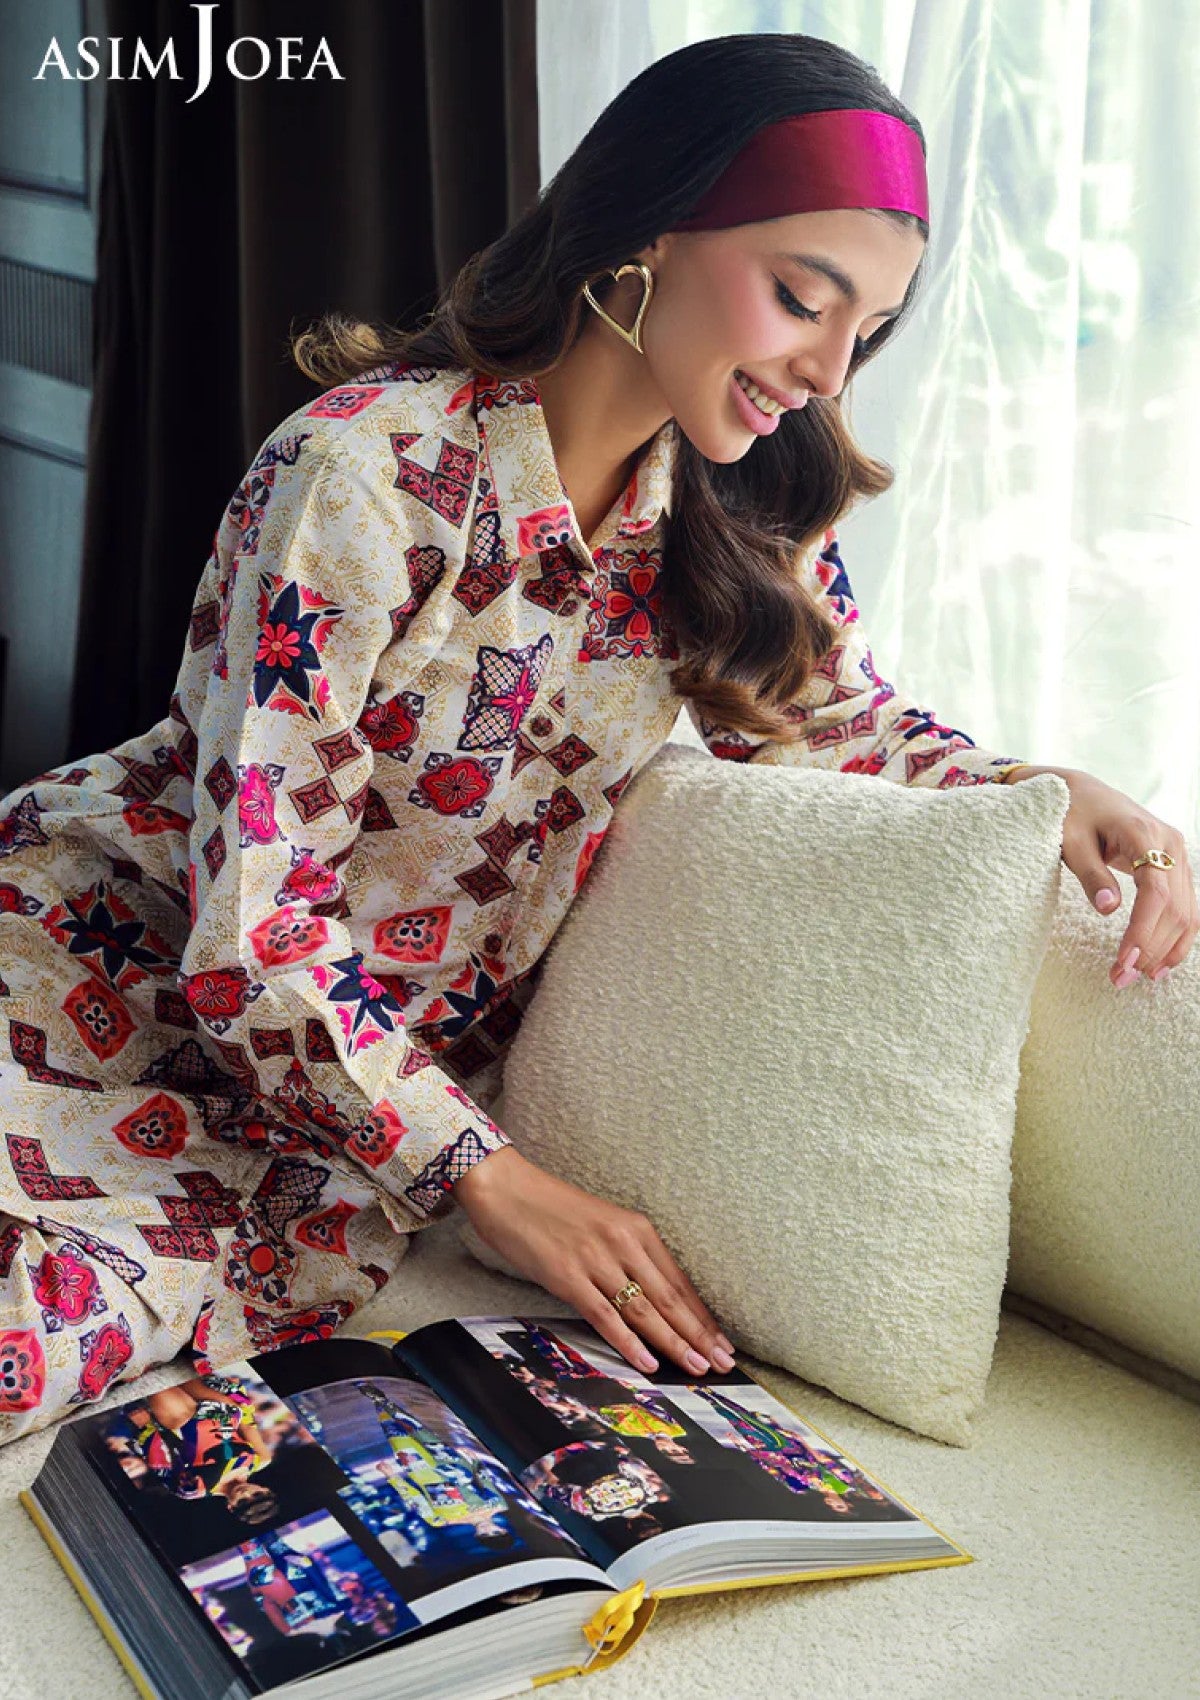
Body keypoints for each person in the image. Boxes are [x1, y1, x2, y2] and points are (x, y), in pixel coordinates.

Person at [0, 34, 1193, 1445]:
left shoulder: (743, 515)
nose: (827, 368)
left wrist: (1045, 788)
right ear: (648, 229)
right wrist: (497, 1180)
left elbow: (836, 724)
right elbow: (250, 929)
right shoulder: (361, 474)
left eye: (866, 330)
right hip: (84, 978)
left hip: (318, 1141)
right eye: (802, 298)